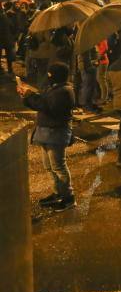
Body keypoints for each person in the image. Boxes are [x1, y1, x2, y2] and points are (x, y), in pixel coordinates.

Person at [18, 62, 76, 212]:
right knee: (49, 166)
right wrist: (27, 95)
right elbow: (42, 101)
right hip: (46, 132)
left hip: (56, 133)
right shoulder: (55, 88)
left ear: (56, 76)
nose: (48, 77)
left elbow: (47, 106)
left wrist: (29, 95)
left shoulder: (64, 91)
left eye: (50, 75)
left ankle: (68, 198)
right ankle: (58, 193)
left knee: (58, 166)